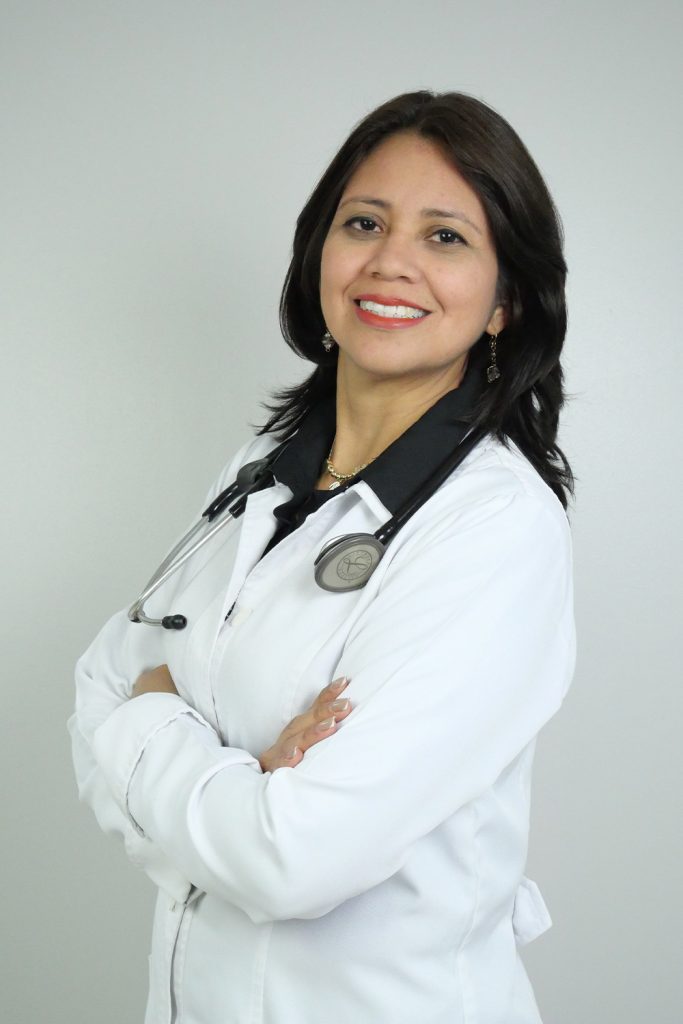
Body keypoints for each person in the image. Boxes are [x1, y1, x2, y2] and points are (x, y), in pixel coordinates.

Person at [69, 90, 575, 1024]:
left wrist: (154, 723)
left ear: (505, 302)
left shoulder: (494, 527)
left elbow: (290, 860)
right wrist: (239, 784)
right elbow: (93, 689)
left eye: (445, 237)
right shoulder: (261, 475)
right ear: (319, 256)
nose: (390, 262)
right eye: (364, 223)